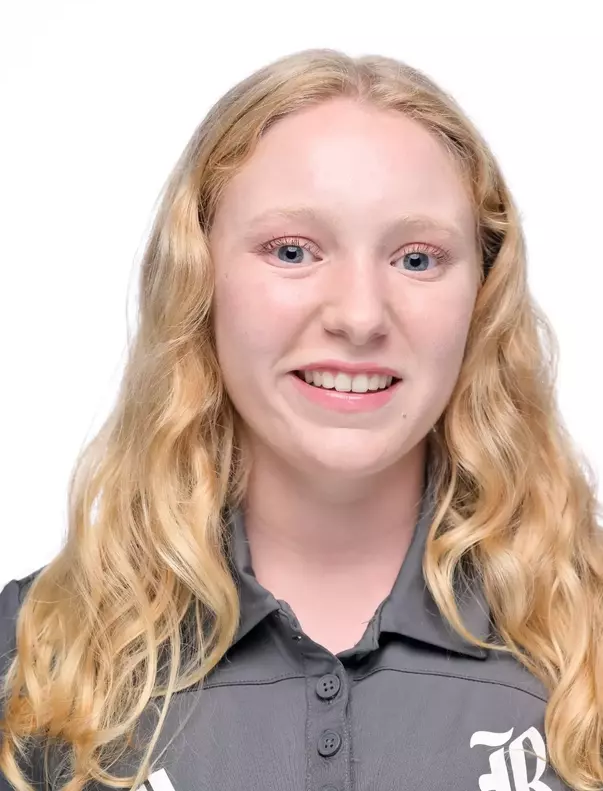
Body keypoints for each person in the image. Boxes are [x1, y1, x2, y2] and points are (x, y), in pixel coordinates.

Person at [1, 47, 601, 791]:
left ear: (482, 295)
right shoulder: (34, 649)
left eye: (416, 259)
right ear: (198, 279)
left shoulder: (588, 634)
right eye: (292, 250)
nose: (358, 315)